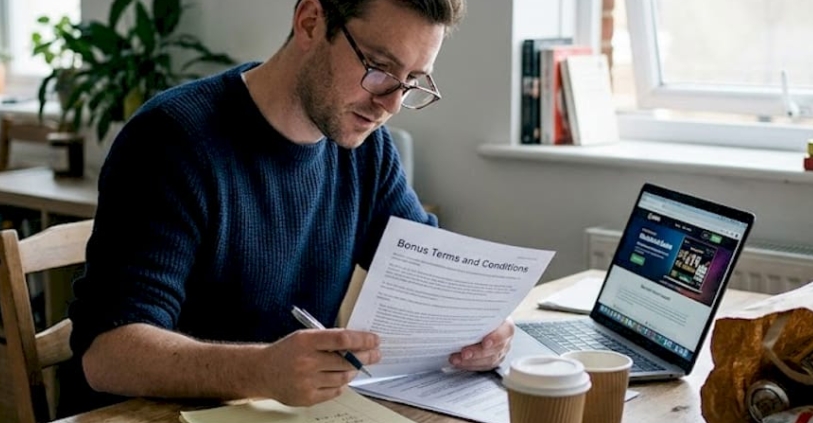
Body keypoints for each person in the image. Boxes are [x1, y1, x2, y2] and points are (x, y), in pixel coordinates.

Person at [65, 0, 512, 413]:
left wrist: (482, 329)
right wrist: (260, 370)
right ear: (310, 23)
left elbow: (431, 275)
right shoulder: (171, 141)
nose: (391, 104)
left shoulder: (367, 150)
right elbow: (106, 355)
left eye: (412, 81)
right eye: (378, 68)